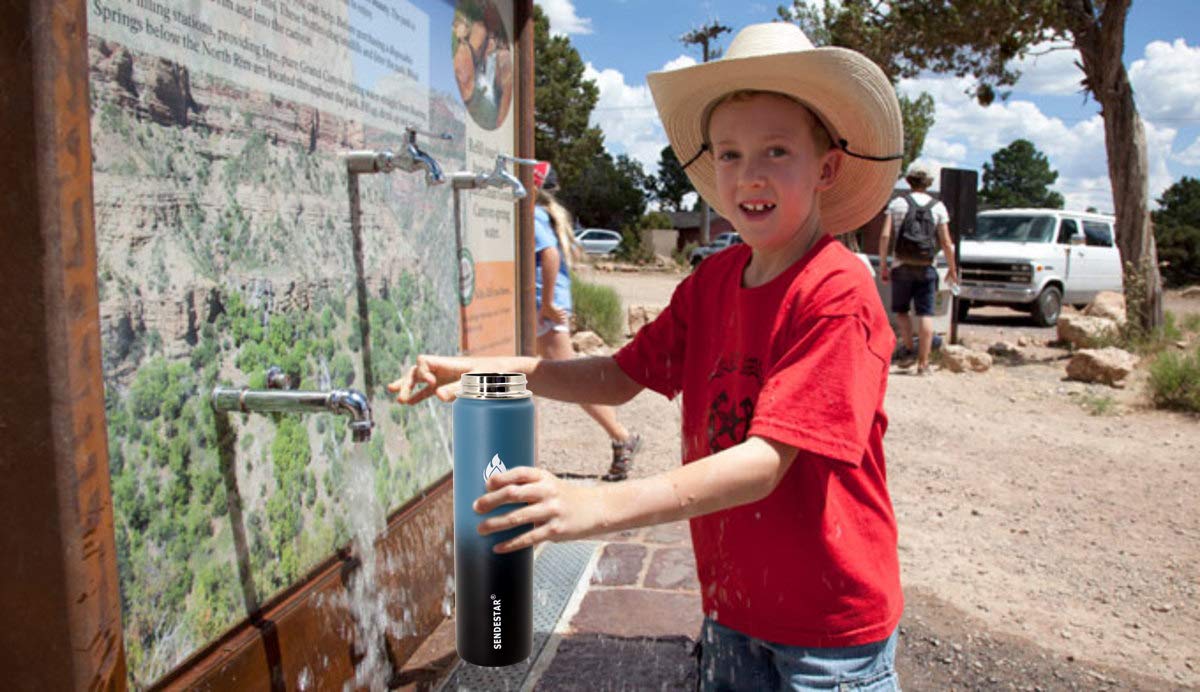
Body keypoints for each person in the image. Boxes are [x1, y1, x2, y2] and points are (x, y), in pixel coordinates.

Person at [390, 22, 903, 691]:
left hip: (827, 629)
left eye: (777, 151)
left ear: (827, 167)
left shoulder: (837, 292)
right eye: (729, 153)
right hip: (734, 606)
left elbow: (766, 462)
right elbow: (615, 375)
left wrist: (595, 506)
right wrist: (481, 368)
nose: (749, 173)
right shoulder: (713, 283)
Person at [531, 161, 641, 482]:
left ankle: (623, 437)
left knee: (572, 381)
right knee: (539, 378)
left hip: (543, 308)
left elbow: (549, 256)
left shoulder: (535, 215)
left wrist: (549, 303)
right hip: (542, 306)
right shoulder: (545, 214)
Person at [878, 162, 959, 376]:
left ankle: (909, 349)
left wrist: (884, 265)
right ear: (929, 182)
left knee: (902, 311)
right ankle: (923, 364)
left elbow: (886, 235)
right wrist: (952, 269)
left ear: (908, 181)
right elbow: (947, 242)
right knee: (926, 314)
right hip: (927, 267)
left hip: (901, 264)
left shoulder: (897, 204)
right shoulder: (938, 206)